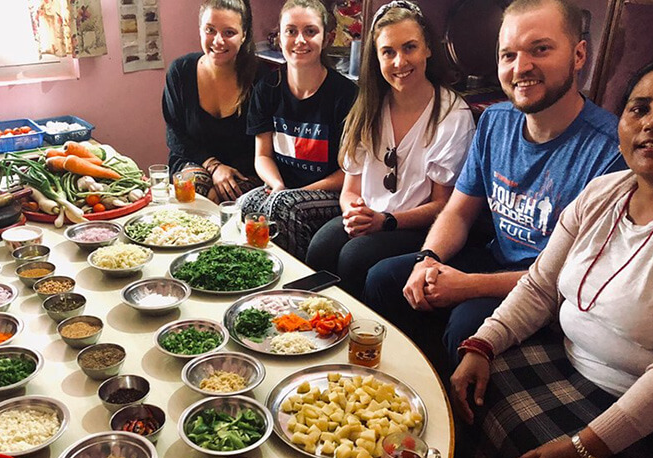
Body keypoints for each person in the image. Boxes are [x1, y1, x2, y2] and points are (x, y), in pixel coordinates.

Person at [437, 53, 653, 458]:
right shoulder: (603, 193)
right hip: (575, 359)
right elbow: (539, 285)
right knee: (465, 396)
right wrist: (482, 344)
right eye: (639, 109)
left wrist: (585, 450)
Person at [363, 0, 626, 369]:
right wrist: (428, 259)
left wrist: (467, 285)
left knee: (465, 325)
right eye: (508, 55)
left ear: (579, 54)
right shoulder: (495, 122)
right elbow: (458, 210)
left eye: (541, 49)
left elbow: (570, 277)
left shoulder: (610, 151)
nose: (521, 68)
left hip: (544, 288)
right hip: (492, 256)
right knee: (384, 279)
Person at [304, 0, 474, 299]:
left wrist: (386, 221)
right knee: (321, 246)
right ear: (377, 57)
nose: (399, 62)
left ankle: (356, 333)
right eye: (388, 52)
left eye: (409, 47)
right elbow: (350, 188)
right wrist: (353, 213)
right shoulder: (369, 106)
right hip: (372, 218)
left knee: (355, 257)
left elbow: (443, 207)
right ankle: (318, 324)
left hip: (413, 225)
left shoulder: (452, 115)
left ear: (428, 49)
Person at [240, 0, 358, 259]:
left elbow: (349, 172)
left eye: (310, 31)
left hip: (329, 192)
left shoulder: (346, 95)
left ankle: (296, 289)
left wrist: (297, 193)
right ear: (279, 38)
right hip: (284, 187)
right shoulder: (267, 88)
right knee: (245, 204)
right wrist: (277, 184)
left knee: (285, 207)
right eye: (291, 31)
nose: (300, 40)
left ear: (326, 39)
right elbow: (262, 156)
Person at [162, 0, 262, 203]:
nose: (218, 41)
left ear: (243, 35)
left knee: (221, 199)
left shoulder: (260, 77)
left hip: (243, 168)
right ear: (200, 30)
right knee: (195, 191)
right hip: (193, 160)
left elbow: (262, 142)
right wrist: (213, 166)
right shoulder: (180, 71)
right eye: (210, 30)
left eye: (229, 32)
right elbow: (175, 136)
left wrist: (224, 176)